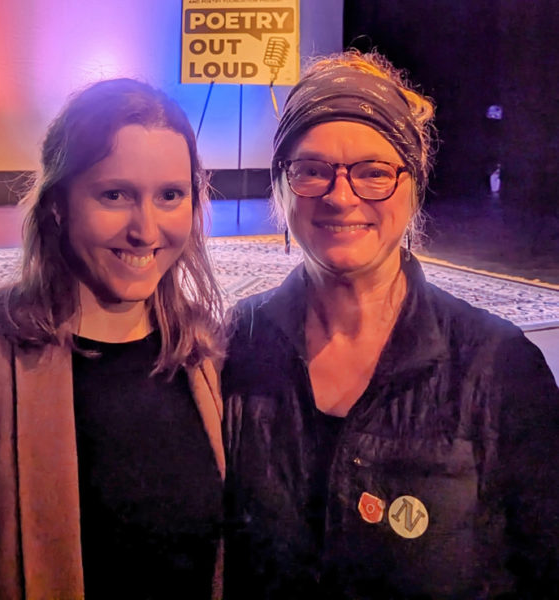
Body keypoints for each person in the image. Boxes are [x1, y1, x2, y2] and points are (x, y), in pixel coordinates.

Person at [222, 49, 559, 599]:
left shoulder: (497, 366)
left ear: (413, 184)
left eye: (373, 172)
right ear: (281, 187)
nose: (340, 195)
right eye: (311, 170)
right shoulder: (234, 343)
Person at [0, 78, 226, 599]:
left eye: (170, 196)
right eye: (115, 195)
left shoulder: (209, 357)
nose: (145, 230)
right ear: (58, 204)